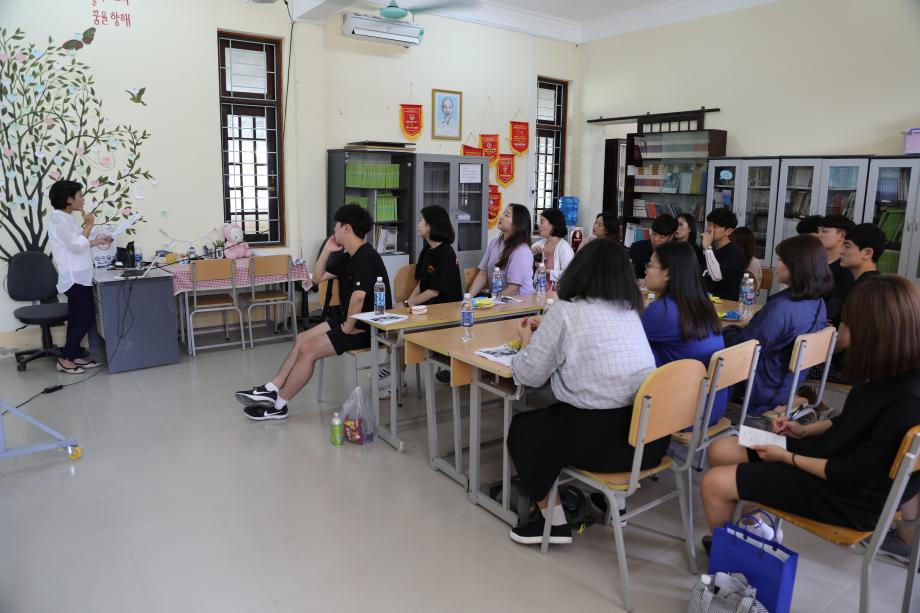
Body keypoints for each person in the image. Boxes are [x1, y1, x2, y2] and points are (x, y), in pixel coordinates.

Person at [701, 275, 920, 546]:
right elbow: (853, 422)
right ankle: (754, 526)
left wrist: (787, 458)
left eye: (848, 324)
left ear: (874, 332)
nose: (840, 330)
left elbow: (853, 474)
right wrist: (805, 430)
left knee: (714, 483)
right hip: (830, 452)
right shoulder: (890, 369)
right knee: (720, 449)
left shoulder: (906, 397)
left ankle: (733, 557)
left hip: (847, 495)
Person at [505, 239, 656, 545]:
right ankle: (617, 508)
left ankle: (553, 522)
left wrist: (526, 340)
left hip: (599, 443)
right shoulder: (629, 310)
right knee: (578, 411)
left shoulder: (565, 311)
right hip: (645, 438)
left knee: (524, 428)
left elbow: (529, 375)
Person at [235, 204, 391, 421]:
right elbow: (317, 278)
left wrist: (347, 328)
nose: (334, 230)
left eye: (336, 226)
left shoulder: (366, 257)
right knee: (302, 339)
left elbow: (359, 297)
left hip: (365, 327)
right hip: (347, 318)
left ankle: (279, 406)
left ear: (346, 228)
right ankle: (272, 388)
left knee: (308, 350)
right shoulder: (350, 256)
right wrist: (327, 250)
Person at [721, 235, 831, 416]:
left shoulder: (782, 309)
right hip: (786, 385)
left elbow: (745, 348)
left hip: (761, 387)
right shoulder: (817, 304)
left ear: (796, 266)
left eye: (780, 259)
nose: (776, 265)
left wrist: (724, 330)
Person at [641, 242, 727, 425]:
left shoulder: (663, 311)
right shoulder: (704, 305)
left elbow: (626, 342)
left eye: (650, 265)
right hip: (712, 405)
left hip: (683, 411)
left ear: (668, 274)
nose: (645, 271)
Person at [47, 180, 113, 374]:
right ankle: (65, 358)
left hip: (81, 276)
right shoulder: (59, 221)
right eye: (80, 196)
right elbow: (76, 245)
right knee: (85, 318)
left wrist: (98, 241)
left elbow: (78, 242)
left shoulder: (66, 218)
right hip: (74, 278)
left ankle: (74, 354)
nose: (83, 199)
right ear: (69, 199)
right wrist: (89, 225)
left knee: (77, 319)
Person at [468, 204, 535, 297]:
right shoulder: (494, 243)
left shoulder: (522, 251)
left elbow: (513, 288)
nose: (501, 217)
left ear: (516, 225)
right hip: (498, 300)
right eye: (503, 213)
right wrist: (468, 298)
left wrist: (492, 302)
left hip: (520, 302)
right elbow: (483, 273)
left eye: (507, 215)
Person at [404, 205, 462, 308]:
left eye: (421, 220)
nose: (418, 225)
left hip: (446, 308)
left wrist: (407, 305)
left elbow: (433, 292)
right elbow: (420, 283)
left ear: (431, 224)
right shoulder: (426, 250)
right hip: (428, 306)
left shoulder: (446, 252)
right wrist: (408, 303)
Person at [818, 214, 856, 326]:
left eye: (825, 231)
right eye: (819, 231)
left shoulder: (845, 270)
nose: (819, 235)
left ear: (842, 236)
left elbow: (832, 313)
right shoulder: (814, 263)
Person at [701, 208, 747, 300]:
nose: (709, 229)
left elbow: (717, 276)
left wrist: (707, 248)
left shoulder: (736, 252)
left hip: (726, 303)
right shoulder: (711, 249)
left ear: (728, 231)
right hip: (706, 300)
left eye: (715, 226)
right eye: (709, 224)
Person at [531, 208, 574, 291]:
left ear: (553, 225)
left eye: (542, 222)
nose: (539, 225)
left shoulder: (564, 248)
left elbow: (569, 274)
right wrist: (531, 254)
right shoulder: (538, 245)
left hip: (556, 294)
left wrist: (546, 271)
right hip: (538, 292)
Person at [629, 214, 677, 280]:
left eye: (662, 237)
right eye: (654, 234)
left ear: (671, 237)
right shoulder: (637, 248)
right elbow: (630, 274)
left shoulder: (676, 254)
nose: (656, 239)